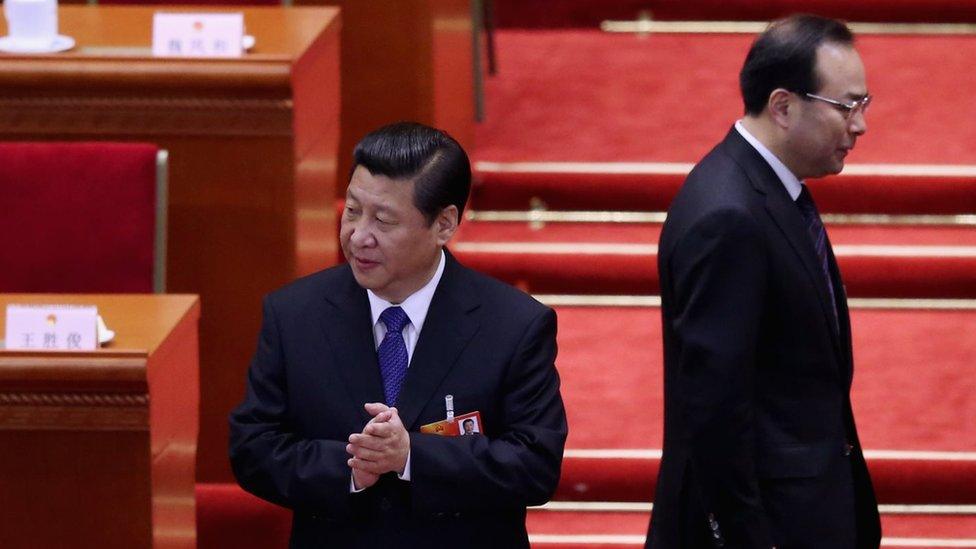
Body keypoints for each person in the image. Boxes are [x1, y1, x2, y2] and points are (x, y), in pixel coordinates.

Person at [229, 122, 567, 548]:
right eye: (352, 211)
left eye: (383, 220)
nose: (358, 236)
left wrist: (411, 458)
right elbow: (253, 448)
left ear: (444, 225)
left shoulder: (514, 325)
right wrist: (351, 468)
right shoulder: (294, 314)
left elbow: (535, 464)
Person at [647, 15, 881, 549]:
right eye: (847, 107)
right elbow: (715, 406)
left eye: (864, 105)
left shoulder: (773, 190)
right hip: (768, 525)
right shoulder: (728, 216)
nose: (860, 125)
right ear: (783, 106)